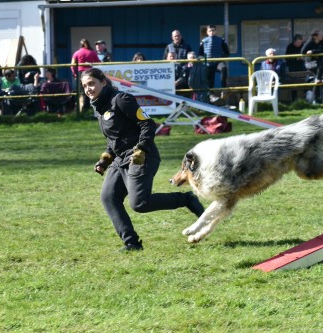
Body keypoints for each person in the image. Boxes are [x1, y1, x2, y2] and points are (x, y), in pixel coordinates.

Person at [80, 68, 204, 251]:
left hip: (142, 156)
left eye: (91, 83)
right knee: (108, 197)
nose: (88, 89)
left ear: (103, 82)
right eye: (84, 86)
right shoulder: (99, 108)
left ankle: (186, 199)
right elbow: (114, 139)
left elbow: (148, 124)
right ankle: (132, 243)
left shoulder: (121, 99)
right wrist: (106, 159)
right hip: (120, 160)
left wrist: (142, 149)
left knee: (139, 204)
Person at [71, 38, 101, 111]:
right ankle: (92, 107)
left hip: (81, 73)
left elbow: (72, 65)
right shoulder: (92, 52)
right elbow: (99, 63)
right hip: (91, 73)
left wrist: (75, 74)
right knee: (93, 90)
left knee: (83, 91)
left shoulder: (77, 53)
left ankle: (84, 109)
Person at [198, 25, 230, 90]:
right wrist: (203, 59)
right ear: (207, 32)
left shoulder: (221, 40)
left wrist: (220, 57)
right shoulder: (203, 41)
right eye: (210, 31)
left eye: (213, 30)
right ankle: (211, 94)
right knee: (210, 79)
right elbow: (200, 54)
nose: (212, 32)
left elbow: (227, 53)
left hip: (218, 63)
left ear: (216, 31)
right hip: (208, 63)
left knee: (224, 68)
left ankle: (224, 89)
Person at [301, 30, 323, 104]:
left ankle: (317, 100)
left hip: (319, 64)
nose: (322, 35)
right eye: (320, 34)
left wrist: (312, 51)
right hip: (310, 63)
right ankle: (318, 79)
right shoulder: (310, 42)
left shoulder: (322, 42)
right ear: (315, 36)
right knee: (321, 66)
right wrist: (310, 53)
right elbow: (302, 51)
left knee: (319, 81)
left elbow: (322, 50)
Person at [285, 34, 305, 102]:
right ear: (295, 41)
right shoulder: (290, 47)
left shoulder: (303, 46)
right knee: (294, 84)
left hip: (302, 67)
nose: (300, 44)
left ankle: (305, 99)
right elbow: (287, 58)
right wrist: (296, 58)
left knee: (305, 82)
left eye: (301, 42)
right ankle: (294, 100)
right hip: (293, 67)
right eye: (298, 42)